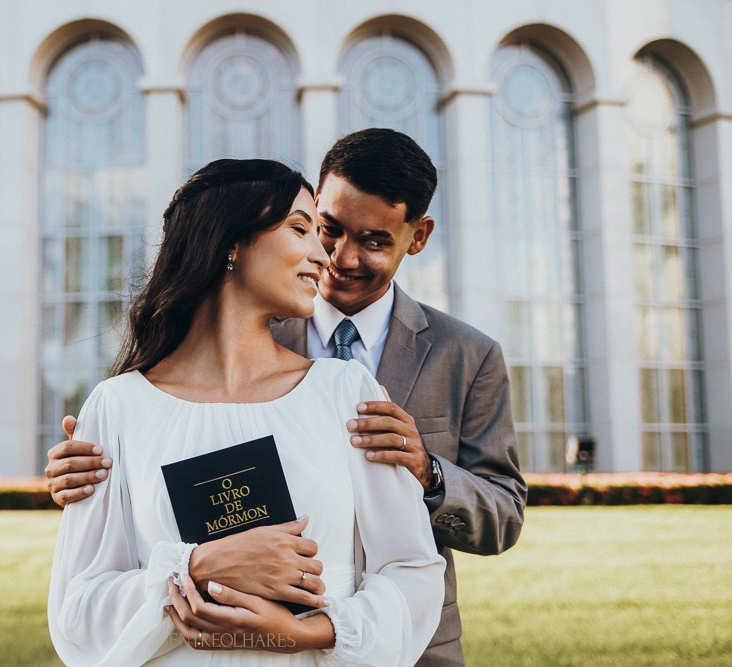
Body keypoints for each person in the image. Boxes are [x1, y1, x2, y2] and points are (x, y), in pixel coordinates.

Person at [47, 129, 527, 666]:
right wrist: (192, 563)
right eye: (318, 228)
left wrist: (426, 472)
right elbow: (80, 607)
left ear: (417, 237)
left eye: (373, 240)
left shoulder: (374, 382)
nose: (333, 257)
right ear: (230, 242)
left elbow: (463, 536)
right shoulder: (120, 406)